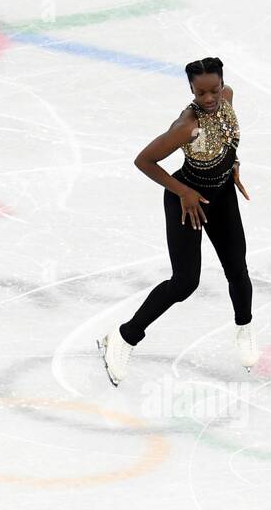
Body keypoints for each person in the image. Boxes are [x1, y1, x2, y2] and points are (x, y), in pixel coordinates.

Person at [98, 57, 256, 385]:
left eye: (213, 90)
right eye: (201, 93)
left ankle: (244, 329)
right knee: (185, 281)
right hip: (187, 201)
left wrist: (234, 164)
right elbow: (144, 160)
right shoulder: (188, 125)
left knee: (237, 268)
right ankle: (123, 337)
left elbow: (227, 139)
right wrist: (184, 191)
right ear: (191, 90)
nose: (209, 98)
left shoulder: (227, 97)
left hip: (222, 194)